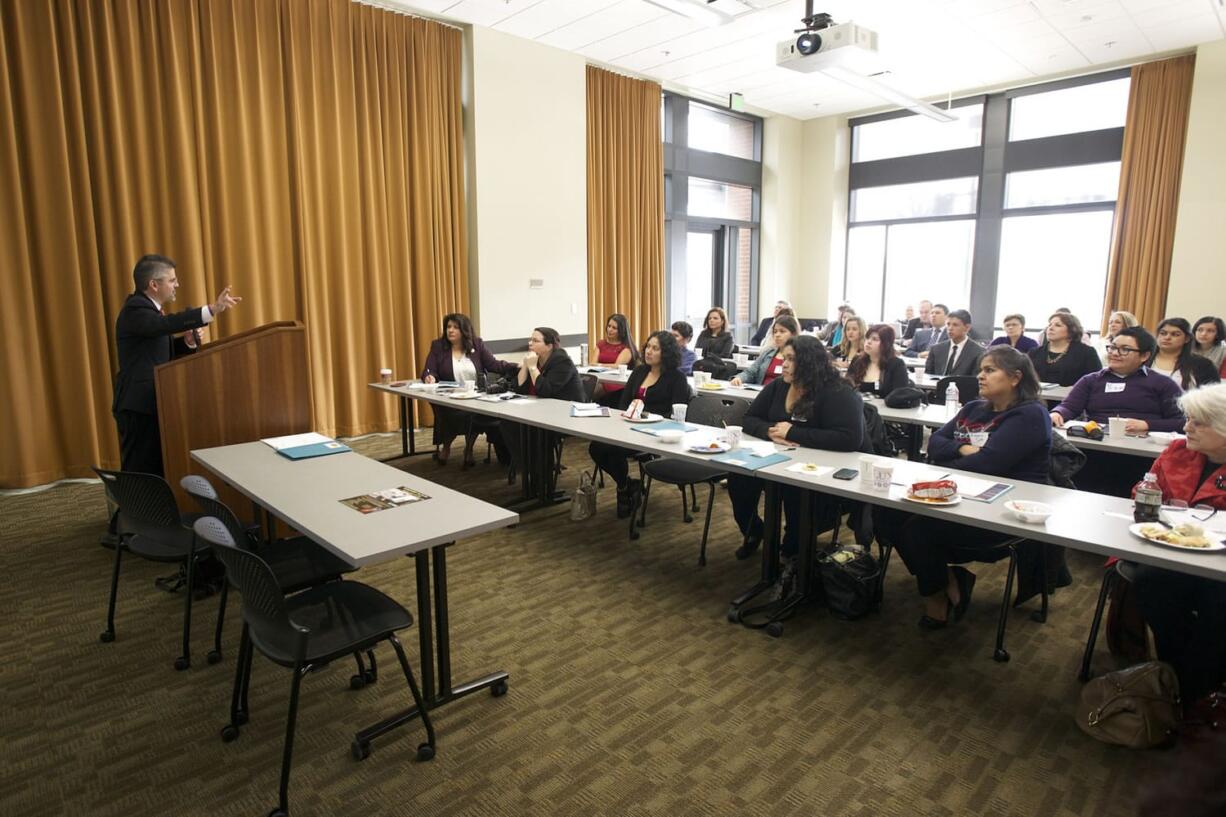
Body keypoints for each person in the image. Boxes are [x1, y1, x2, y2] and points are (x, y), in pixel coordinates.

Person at [876, 347, 1052, 627]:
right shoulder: (973, 409)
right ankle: (947, 579)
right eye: (981, 369)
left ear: (1016, 377)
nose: (980, 376)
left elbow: (990, 464)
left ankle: (936, 600)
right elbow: (934, 444)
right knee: (885, 513)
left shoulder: (1030, 415)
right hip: (956, 495)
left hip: (999, 512)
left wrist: (950, 462)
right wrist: (966, 449)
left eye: (990, 370)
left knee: (919, 530)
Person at [727, 335, 863, 568]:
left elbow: (850, 438)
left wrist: (793, 433)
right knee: (739, 478)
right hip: (776, 459)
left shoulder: (837, 392)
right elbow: (749, 418)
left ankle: (792, 552)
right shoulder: (779, 386)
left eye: (791, 359)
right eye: (784, 358)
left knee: (796, 492)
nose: (784, 364)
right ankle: (756, 531)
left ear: (809, 363)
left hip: (822, 468)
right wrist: (768, 430)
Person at [1132, 382, 1226, 708]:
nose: (1187, 427)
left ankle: (1193, 687)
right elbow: (1141, 493)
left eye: (1198, 422)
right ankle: (1182, 676)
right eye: (1188, 419)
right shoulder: (1178, 451)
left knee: (1218, 602)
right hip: (1169, 552)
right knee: (1148, 582)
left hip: (1219, 563)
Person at [112, 254, 240, 475]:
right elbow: (166, 325)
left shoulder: (149, 312)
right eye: (172, 280)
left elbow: (158, 349)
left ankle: (153, 509)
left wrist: (187, 342)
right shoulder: (136, 309)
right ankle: (137, 510)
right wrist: (212, 309)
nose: (177, 285)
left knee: (154, 467)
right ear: (153, 285)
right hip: (138, 405)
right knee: (141, 469)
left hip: (151, 402)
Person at [589, 332, 691, 518]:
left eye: (655, 348)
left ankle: (623, 491)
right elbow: (624, 403)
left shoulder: (676, 378)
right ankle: (626, 485)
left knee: (613, 450)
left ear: (666, 353)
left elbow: (676, 414)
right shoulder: (639, 372)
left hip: (655, 432)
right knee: (597, 447)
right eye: (648, 347)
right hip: (629, 426)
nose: (648, 351)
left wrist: (645, 417)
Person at [420, 313, 518, 466]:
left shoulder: (476, 345)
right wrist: (430, 376)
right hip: (448, 398)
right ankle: (446, 447)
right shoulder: (438, 346)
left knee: (476, 413)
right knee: (450, 415)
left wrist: (516, 366)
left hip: (475, 396)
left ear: (465, 331)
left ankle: (469, 449)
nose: (450, 330)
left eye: (455, 327)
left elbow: (494, 365)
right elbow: (429, 369)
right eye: (448, 327)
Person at [1050, 326, 1184, 433]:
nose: (1114, 353)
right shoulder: (1091, 380)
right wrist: (1057, 413)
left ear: (1144, 356)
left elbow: (1181, 422)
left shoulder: (1162, 383)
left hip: (1141, 445)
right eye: (1113, 347)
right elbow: (1069, 406)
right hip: (1097, 441)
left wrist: (1147, 424)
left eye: (1125, 349)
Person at [502, 327, 585, 480]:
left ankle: (540, 474)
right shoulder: (536, 360)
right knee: (508, 423)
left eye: (535, 341)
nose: (530, 343)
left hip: (565, 414)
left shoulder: (561, 361)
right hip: (541, 411)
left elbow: (545, 391)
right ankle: (530, 468)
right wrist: (527, 366)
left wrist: (532, 367)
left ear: (549, 345)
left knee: (531, 429)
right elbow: (519, 388)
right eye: (530, 339)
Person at [1027, 311, 1102, 386]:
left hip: (1073, 396)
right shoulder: (1034, 352)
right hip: (1037, 396)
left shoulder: (1087, 353)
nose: (1050, 328)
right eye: (1049, 325)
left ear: (1071, 330)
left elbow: (1096, 381)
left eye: (1058, 325)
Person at [1150, 317, 1221, 391]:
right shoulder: (1144, 359)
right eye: (1163, 333)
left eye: (1175, 334)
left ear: (1187, 339)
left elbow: (1213, 395)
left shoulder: (1203, 365)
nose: (1167, 337)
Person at [731, 315, 799, 388]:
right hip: (762, 393)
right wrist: (739, 378)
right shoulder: (768, 352)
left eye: (782, 331)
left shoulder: (798, 355)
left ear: (793, 334)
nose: (777, 335)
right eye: (775, 332)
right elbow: (750, 372)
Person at [845, 324, 910, 398]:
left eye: (875, 339)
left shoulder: (896, 365)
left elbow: (900, 395)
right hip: (859, 407)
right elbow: (847, 388)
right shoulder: (857, 360)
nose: (868, 342)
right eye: (867, 338)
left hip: (886, 408)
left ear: (886, 344)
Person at [592, 313, 639, 404]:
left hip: (615, 381)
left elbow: (617, 366)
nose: (610, 329)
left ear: (621, 330)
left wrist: (600, 365)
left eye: (614, 328)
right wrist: (599, 365)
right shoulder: (601, 343)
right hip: (600, 378)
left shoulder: (627, 348)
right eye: (609, 326)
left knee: (591, 390)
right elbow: (593, 363)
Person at [923, 309, 985, 378]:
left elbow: (975, 380)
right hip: (936, 387)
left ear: (967, 328)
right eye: (948, 324)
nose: (950, 328)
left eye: (955, 325)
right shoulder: (936, 349)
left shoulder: (978, 352)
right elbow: (927, 376)